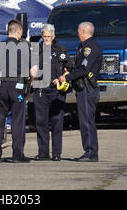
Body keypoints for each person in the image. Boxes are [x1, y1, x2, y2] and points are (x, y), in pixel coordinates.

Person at [0, 20, 37, 163]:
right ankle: (17, 155)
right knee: (17, 121)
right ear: (18, 32)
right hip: (17, 88)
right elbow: (34, 71)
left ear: (8, 31)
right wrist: (31, 79)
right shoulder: (24, 48)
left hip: (1, 87)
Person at [58, 21, 102, 162]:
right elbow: (78, 67)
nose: (77, 33)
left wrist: (67, 78)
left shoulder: (90, 48)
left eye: (78, 30)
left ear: (83, 31)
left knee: (87, 122)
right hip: (82, 89)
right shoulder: (83, 47)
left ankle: (90, 153)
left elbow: (84, 69)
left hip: (87, 89)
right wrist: (69, 71)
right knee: (84, 121)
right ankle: (89, 151)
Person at [33, 24, 73, 161]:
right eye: (44, 37)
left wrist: (62, 77)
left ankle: (57, 153)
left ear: (53, 36)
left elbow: (69, 68)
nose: (46, 39)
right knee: (41, 122)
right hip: (40, 90)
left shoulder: (61, 50)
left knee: (57, 122)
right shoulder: (36, 51)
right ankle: (43, 152)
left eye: (48, 37)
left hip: (57, 91)